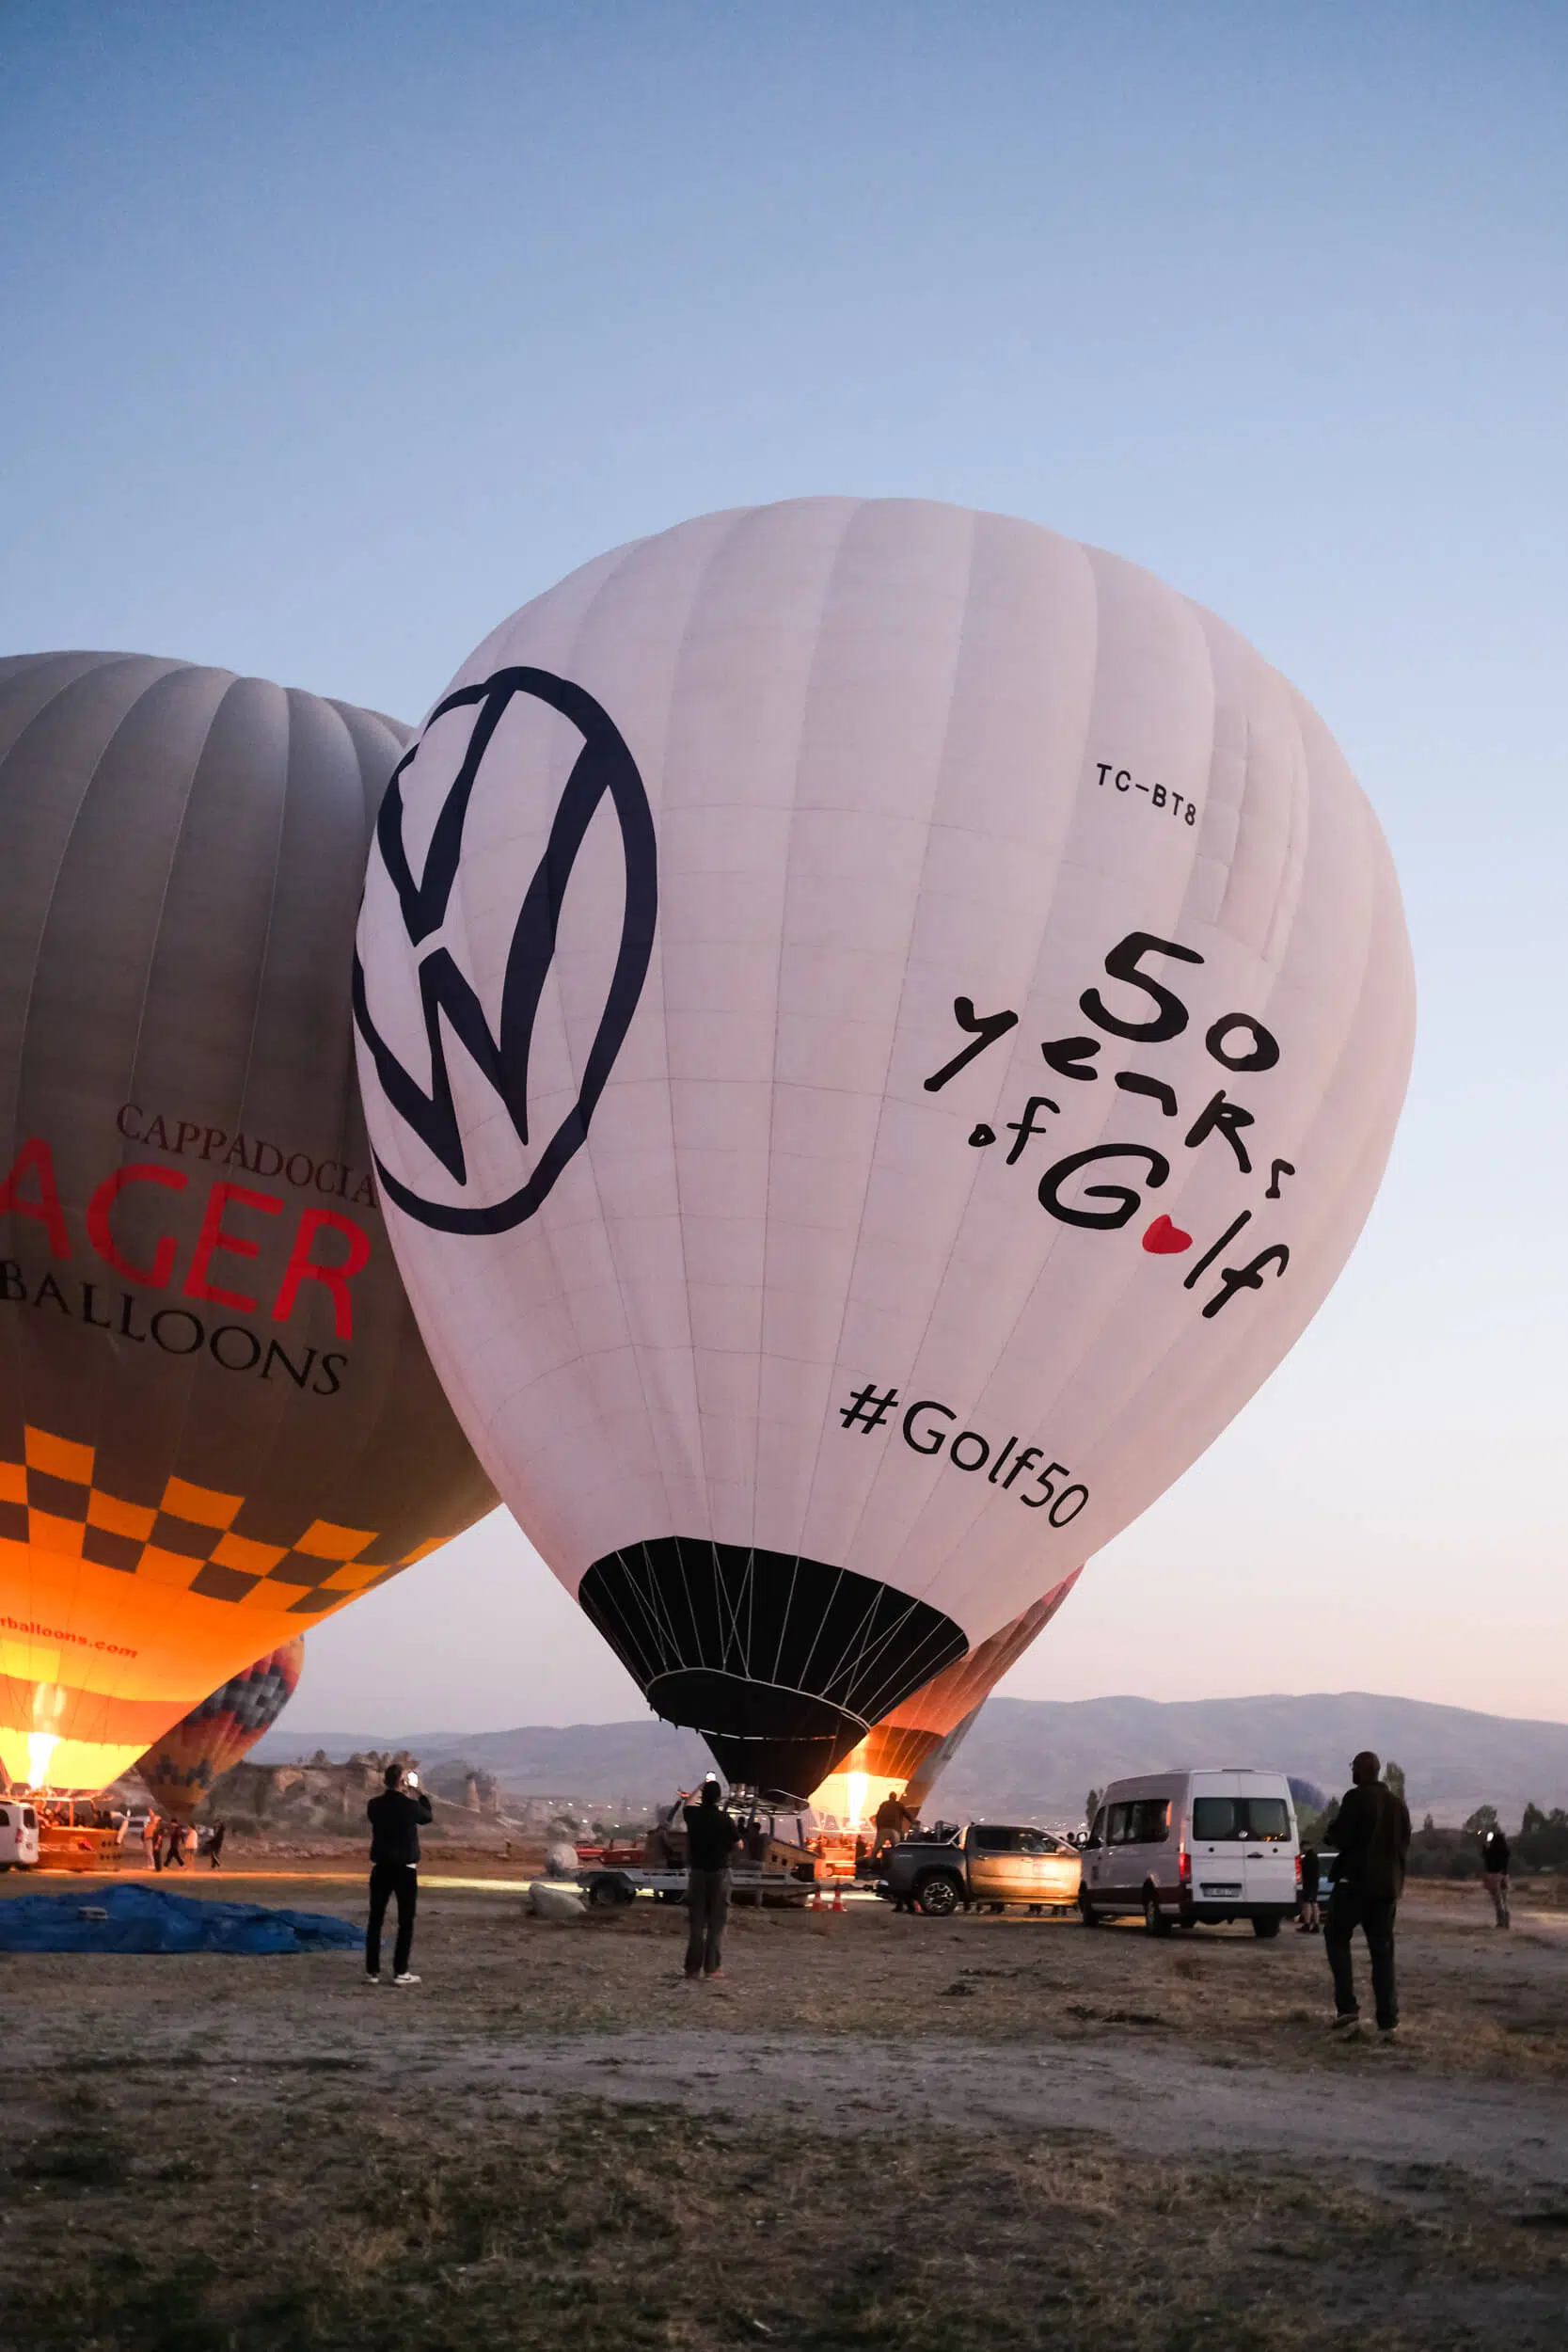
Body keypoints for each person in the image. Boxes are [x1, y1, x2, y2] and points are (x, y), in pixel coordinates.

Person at [1323, 1752, 1411, 2042]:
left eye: (1353, 1769)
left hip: (1354, 1886)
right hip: (1386, 1890)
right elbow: (1404, 1844)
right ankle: (1388, 2020)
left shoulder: (1356, 1798)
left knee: (1336, 1936)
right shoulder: (1398, 1805)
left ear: (1361, 1772)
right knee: (1383, 1953)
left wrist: (1330, 1834)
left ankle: (1347, 2007)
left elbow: (1341, 1836)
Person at [365, 1762, 432, 1986]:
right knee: (405, 1921)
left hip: (381, 1867)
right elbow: (427, 1817)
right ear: (403, 1782)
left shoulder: (374, 1805)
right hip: (405, 1870)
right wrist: (420, 1793)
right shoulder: (410, 1806)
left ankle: (372, 1972)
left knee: (375, 1920)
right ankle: (400, 1971)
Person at [682, 1775, 740, 1982]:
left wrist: (701, 1785)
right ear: (719, 1799)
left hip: (697, 1874)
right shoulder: (725, 1820)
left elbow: (688, 1802)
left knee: (696, 1924)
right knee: (716, 1923)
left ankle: (691, 1969)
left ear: (703, 1797)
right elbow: (739, 1845)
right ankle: (712, 1968)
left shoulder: (693, 1816)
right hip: (719, 1874)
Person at [1481, 1822, 1511, 1929]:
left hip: (1494, 1876)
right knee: (1505, 1900)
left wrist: (1486, 1842)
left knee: (1498, 1901)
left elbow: (1484, 1855)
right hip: (1505, 1876)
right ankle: (1506, 1922)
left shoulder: (1491, 1851)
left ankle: (1500, 1922)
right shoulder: (1506, 1852)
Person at [1297, 1843, 1322, 1933]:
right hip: (1312, 1883)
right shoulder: (1312, 1856)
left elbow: (1302, 1866)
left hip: (1310, 1883)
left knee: (1310, 1903)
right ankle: (1314, 1924)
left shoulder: (1310, 1857)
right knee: (1312, 1903)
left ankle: (1310, 1924)